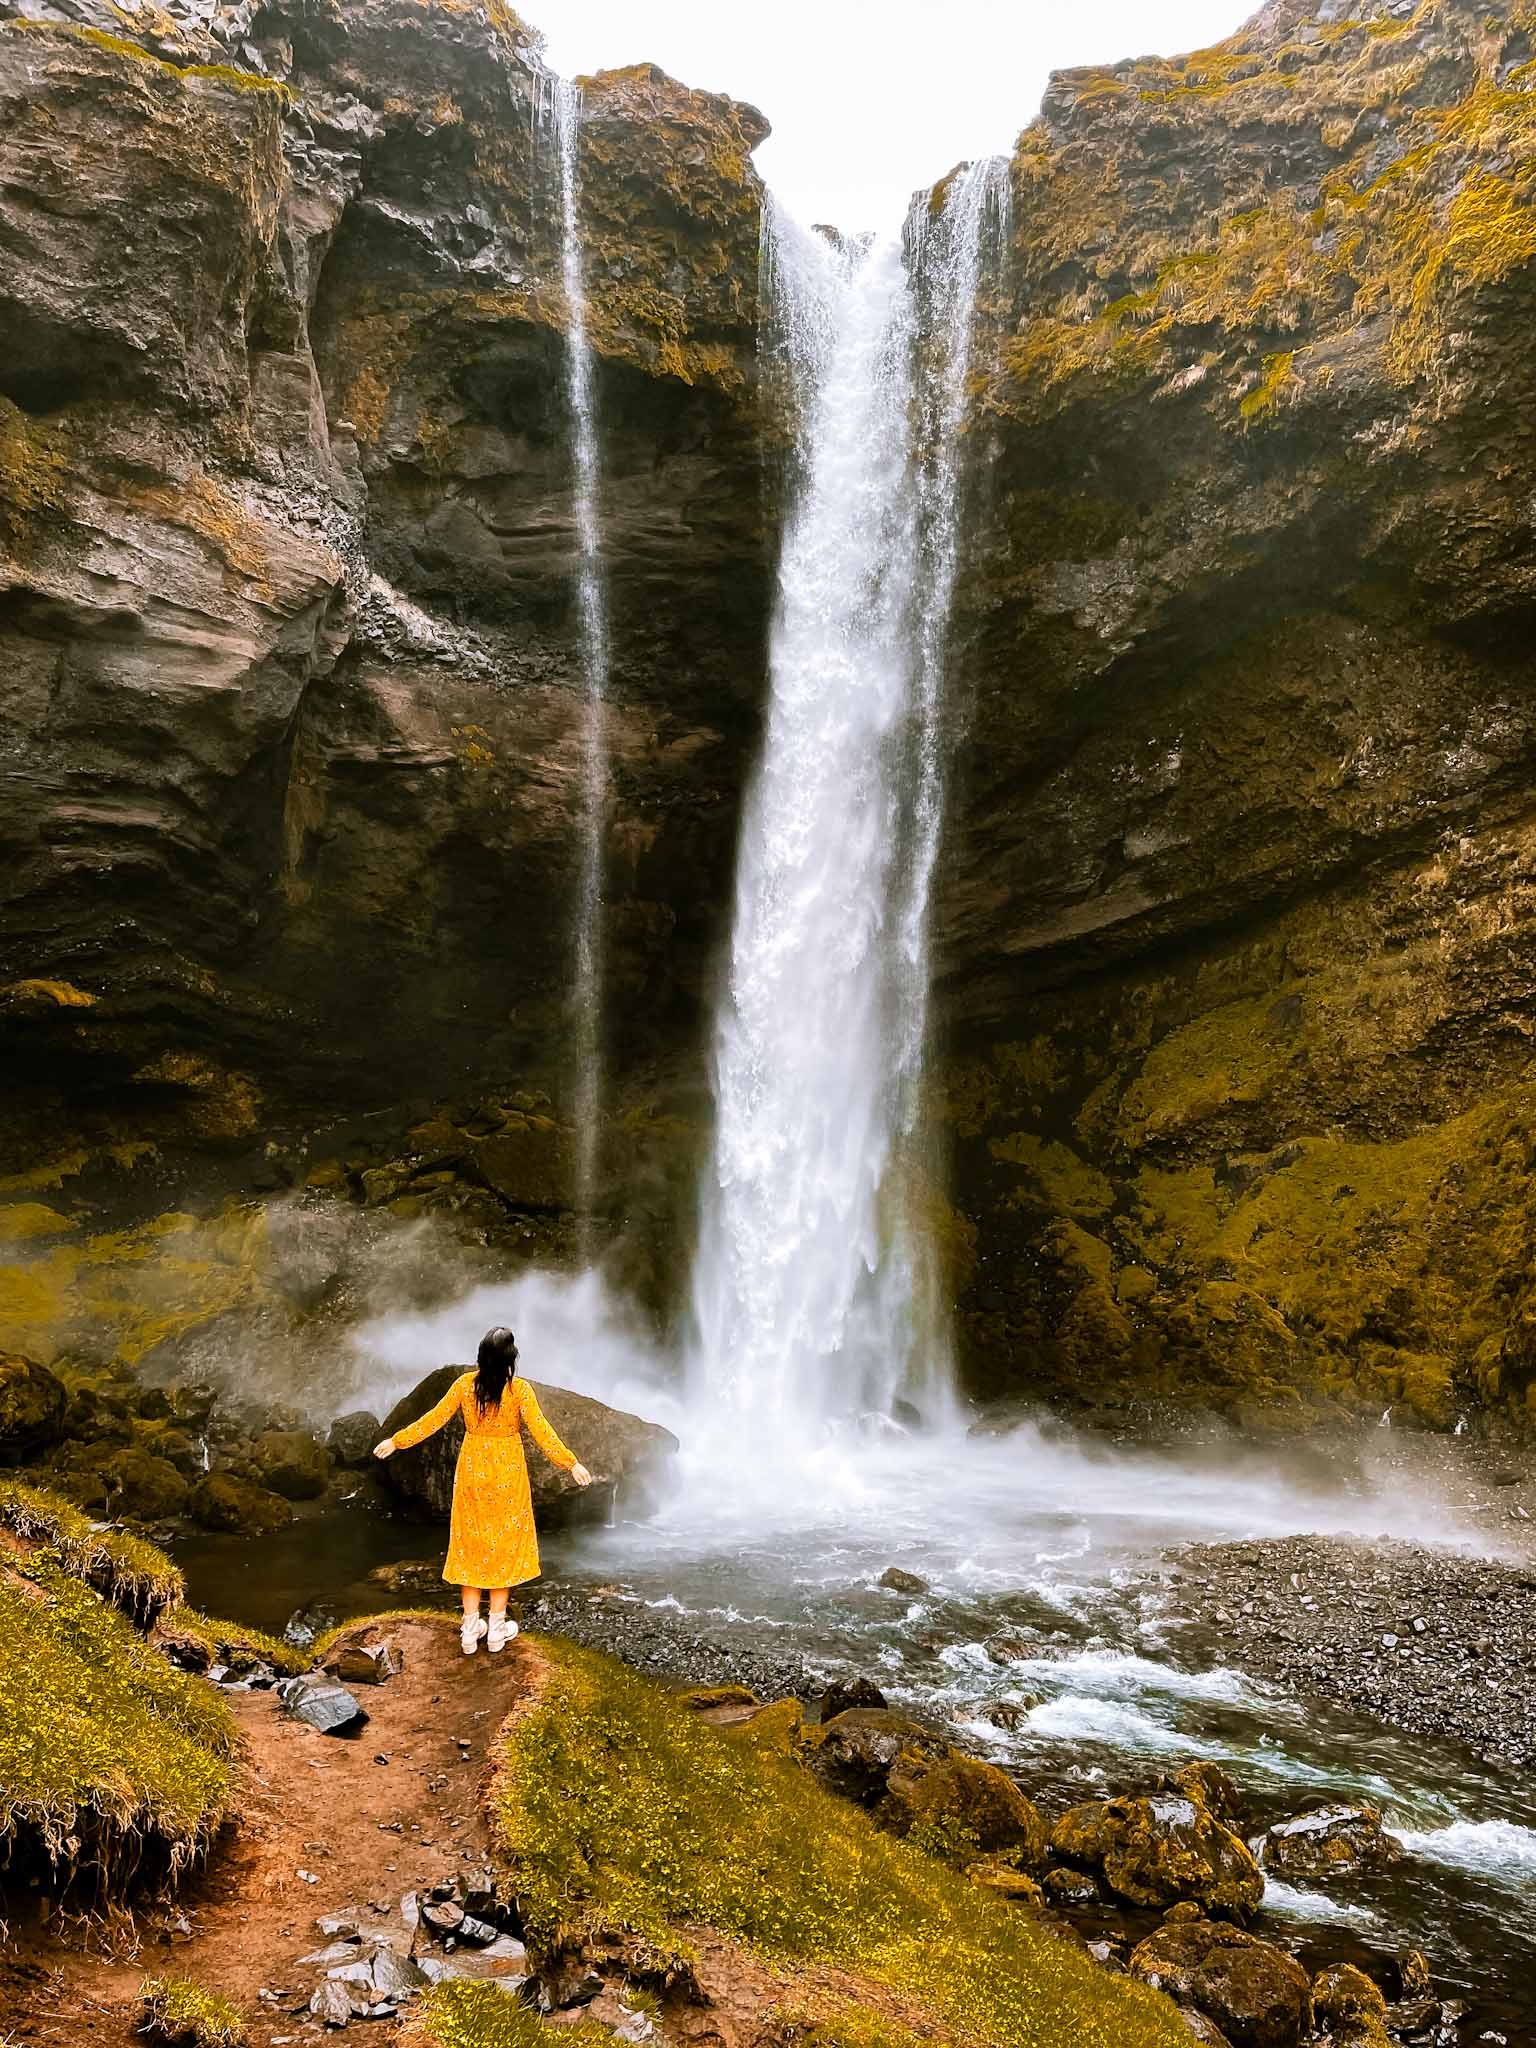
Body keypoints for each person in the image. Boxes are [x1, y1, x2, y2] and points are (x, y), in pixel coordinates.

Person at [374, 1325, 593, 1655]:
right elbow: (542, 1433)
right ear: (511, 1359)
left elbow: (434, 1419)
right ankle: (495, 1630)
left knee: (470, 1544)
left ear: (480, 1356)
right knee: (503, 1546)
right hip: (508, 1470)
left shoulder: (464, 1386)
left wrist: (396, 1441)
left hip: (473, 1469)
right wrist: (571, 1463)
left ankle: (469, 1629)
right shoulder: (520, 1391)